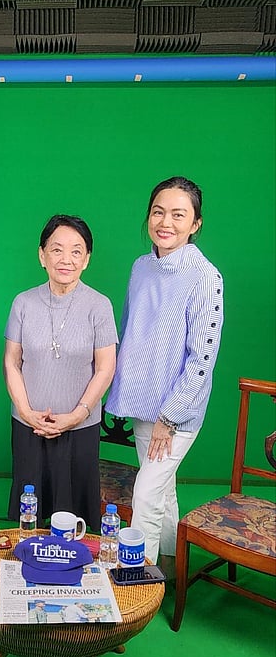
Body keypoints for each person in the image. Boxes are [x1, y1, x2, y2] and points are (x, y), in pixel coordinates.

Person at [105, 177, 223, 576]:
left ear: (196, 224)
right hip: (142, 402)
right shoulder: (141, 267)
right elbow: (131, 331)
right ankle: (173, 566)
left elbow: (202, 359)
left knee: (146, 493)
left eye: (178, 214)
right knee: (163, 492)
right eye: (158, 211)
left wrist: (169, 418)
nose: (165, 221)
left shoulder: (206, 277)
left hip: (176, 413)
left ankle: (137, 578)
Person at [4, 214, 117, 531]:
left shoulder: (99, 306)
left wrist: (76, 416)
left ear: (87, 259)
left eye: (76, 251)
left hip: (80, 428)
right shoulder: (23, 303)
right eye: (57, 249)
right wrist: (27, 413)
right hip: (28, 425)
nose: (66, 259)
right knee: (29, 515)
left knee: (74, 514)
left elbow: (105, 368)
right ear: (42, 255)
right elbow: (12, 362)